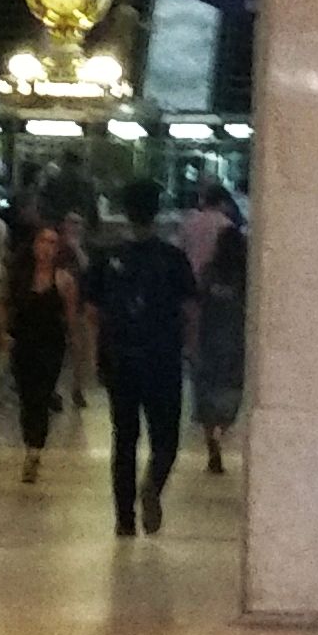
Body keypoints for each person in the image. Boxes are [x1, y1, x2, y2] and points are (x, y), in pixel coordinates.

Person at [80, 180, 199, 539]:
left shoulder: (107, 258)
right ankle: (153, 485)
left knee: (124, 438)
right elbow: (190, 310)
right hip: (162, 359)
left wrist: (96, 354)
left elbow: (92, 312)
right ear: (157, 211)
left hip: (121, 358)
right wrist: (189, 349)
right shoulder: (173, 258)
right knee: (166, 437)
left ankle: (124, 518)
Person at [4, 220, 81, 488]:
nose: (46, 248)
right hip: (24, 343)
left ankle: (35, 449)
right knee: (26, 396)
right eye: (42, 241)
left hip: (50, 345)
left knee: (43, 394)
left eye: (52, 243)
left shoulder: (64, 280)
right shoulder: (19, 277)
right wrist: (3, 334)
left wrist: (76, 349)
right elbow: (6, 304)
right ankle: (30, 442)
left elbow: (70, 317)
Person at [189, 196, 249, 477]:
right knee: (232, 393)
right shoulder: (245, 278)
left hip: (208, 338)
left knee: (206, 393)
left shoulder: (208, 273)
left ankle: (209, 436)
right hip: (235, 341)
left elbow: (196, 306)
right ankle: (221, 432)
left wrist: (191, 340)